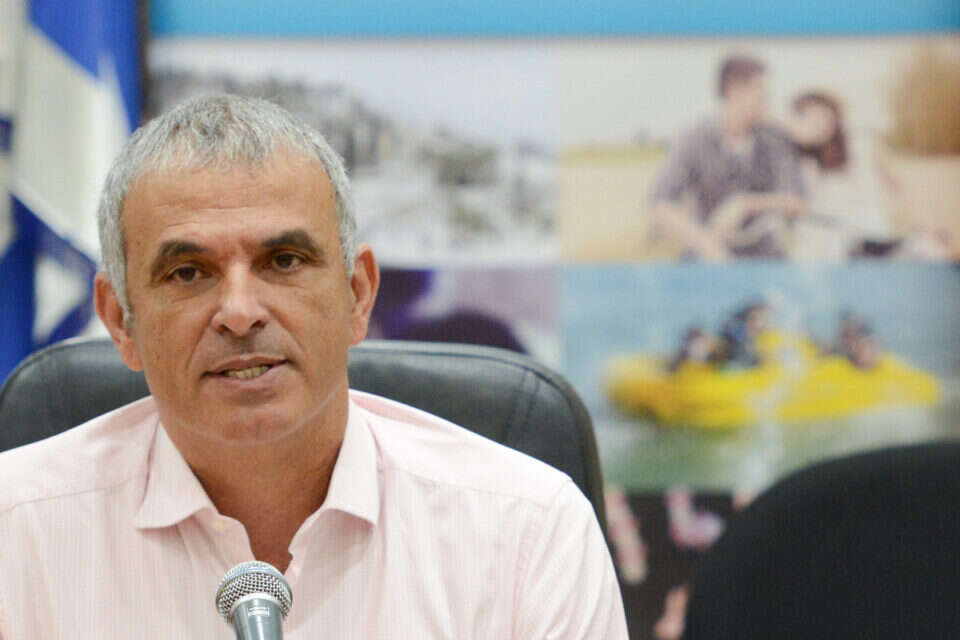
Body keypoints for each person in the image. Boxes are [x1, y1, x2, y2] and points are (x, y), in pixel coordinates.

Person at [0, 96, 627, 638]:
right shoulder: (15, 533)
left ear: (358, 295)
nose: (240, 312)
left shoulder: (528, 533)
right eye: (188, 272)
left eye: (284, 261)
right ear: (119, 320)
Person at [649, 54, 806, 259]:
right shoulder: (695, 138)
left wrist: (745, 204)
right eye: (761, 93)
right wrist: (704, 243)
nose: (767, 101)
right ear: (734, 90)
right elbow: (660, 204)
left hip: (765, 257)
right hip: (708, 255)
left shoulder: (775, 139)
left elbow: (797, 201)